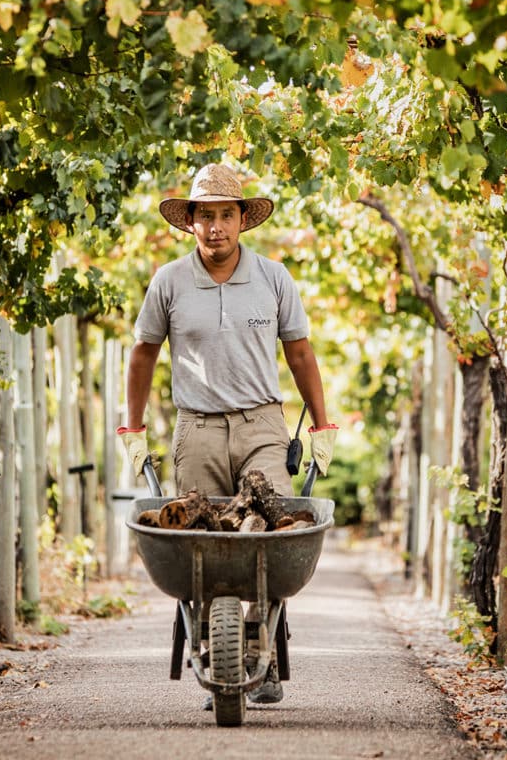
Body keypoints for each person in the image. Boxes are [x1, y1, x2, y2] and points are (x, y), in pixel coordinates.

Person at [118, 162, 337, 705]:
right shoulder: (169, 281)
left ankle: (259, 639)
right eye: (205, 216)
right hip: (197, 427)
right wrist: (134, 426)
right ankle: (218, 646)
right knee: (204, 543)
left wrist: (323, 422)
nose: (216, 227)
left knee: (270, 531)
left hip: (263, 422)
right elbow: (143, 353)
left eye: (225, 215)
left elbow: (300, 352)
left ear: (242, 219)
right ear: (190, 221)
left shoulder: (273, 278)